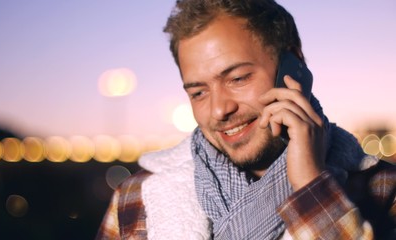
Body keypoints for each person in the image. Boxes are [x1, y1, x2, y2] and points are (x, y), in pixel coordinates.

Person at [96, 0, 396, 239]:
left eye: (237, 78)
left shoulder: (384, 188)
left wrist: (312, 188)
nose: (218, 110)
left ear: (294, 65)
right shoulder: (135, 198)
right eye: (199, 93)